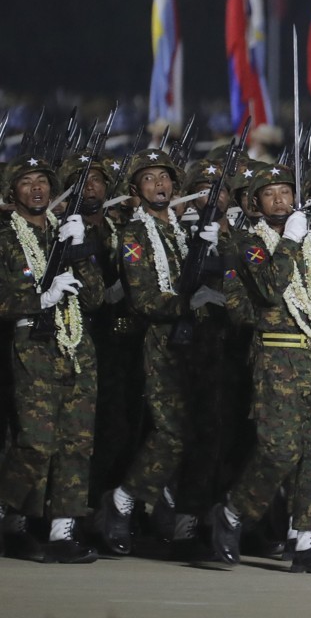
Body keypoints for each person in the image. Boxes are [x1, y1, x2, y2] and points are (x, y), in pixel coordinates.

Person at [207, 165, 311, 574]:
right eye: (271, 194)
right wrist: (289, 242)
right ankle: (232, 514)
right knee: (280, 451)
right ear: (256, 203)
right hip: (279, 360)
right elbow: (268, 289)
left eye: (286, 192)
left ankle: (306, 542)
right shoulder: (250, 244)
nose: (280, 200)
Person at [97, 149, 222, 557]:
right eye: (149, 179)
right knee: (171, 431)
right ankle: (122, 501)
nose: (160, 185)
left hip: (197, 347)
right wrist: (190, 303)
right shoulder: (135, 235)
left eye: (165, 178)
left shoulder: (183, 231)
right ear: (135, 190)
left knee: (197, 432)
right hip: (162, 343)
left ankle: (177, 519)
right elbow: (144, 299)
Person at [0, 156, 104, 562]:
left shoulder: (66, 231)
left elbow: (94, 296)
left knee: (76, 443)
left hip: (78, 346)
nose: (37, 189)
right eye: (26, 183)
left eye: (42, 181)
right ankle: (12, 522)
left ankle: (63, 531)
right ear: (13, 192)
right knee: (35, 444)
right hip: (34, 344)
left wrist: (80, 248)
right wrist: (39, 298)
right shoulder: (5, 236)